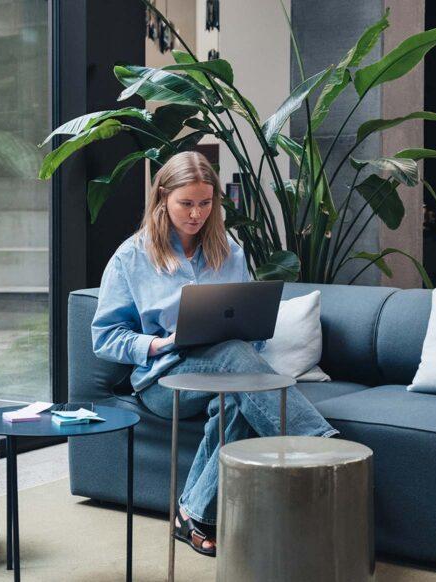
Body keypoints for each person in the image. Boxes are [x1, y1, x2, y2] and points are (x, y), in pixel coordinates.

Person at [91, 151, 337, 556]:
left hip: (226, 371)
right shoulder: (131, 257)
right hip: (165, 380)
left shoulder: (230, 250)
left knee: (239, 396)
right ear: (162, 199)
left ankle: (193, 514)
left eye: (205, 203)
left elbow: (250, 331)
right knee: (237, 364)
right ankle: (316, 445)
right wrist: (159, 343)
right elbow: (105, 337)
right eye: (186, 203)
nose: (196, 214)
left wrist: (241, 338)